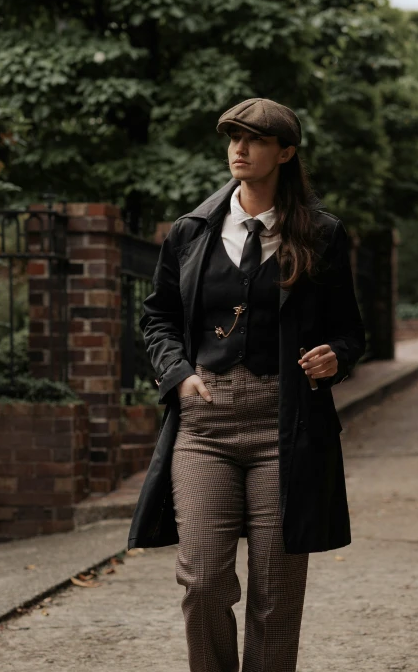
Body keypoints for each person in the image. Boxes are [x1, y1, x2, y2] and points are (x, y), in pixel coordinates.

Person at [128, 97, 366, 672]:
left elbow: (350, 332)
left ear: (284, 152)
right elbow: (156, 317)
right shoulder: (190, 233)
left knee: (276, 590)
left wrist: (336, 356)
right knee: (204, 579)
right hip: (204, 429)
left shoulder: (322, 235)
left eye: (255, 140)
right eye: (233, 137)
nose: (239, 149)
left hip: (284, 430)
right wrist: (179, 377)